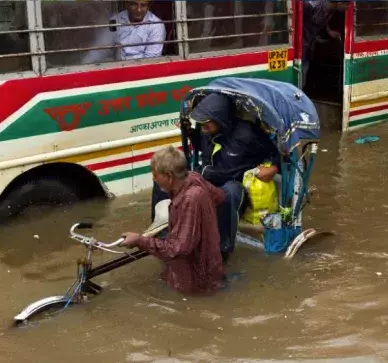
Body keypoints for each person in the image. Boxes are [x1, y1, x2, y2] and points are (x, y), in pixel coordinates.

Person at [152, 93, 280, 262]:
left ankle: (222, 249)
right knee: (165, 178)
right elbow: (202, 145)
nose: (202, 127)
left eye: (206, 123)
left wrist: (273, 167)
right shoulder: (206, 130)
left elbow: (275, 152)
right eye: (201, 124)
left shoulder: (247, 133)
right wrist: (190, 133)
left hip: (233, 184)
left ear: (220, 119)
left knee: (230, 193)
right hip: (205, 179)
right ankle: (162, 234)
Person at [120, 146, 225, 294]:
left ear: (169, 176)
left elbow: (178, 249)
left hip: (197, 279)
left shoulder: (190, 199)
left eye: (155, 175)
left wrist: (139, 240)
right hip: (207, 266)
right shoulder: (193, 178)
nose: (153, 178)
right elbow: (219, 196)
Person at [83, 0, 166, 63]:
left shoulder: (156, 25)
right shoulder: (116, 20)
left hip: (141, 73)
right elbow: (101, 48)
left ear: (148, 7)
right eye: (134, 4)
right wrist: (85, 65)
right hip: (117, 68)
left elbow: (150, 61)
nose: (139, 10)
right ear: (126, 4)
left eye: (143, 5)